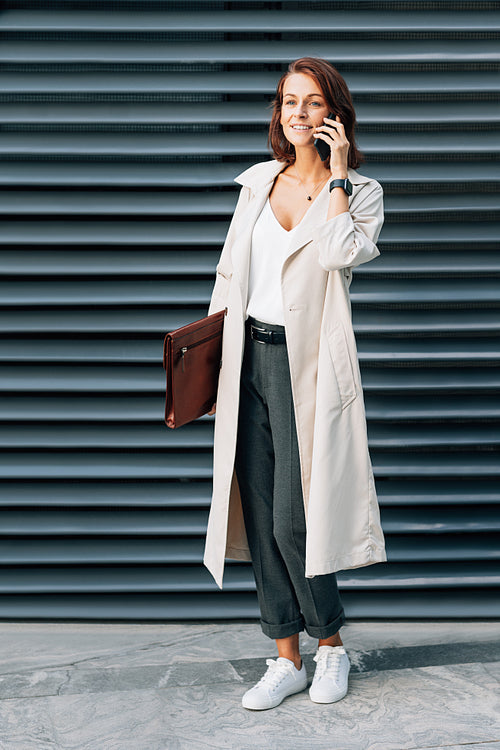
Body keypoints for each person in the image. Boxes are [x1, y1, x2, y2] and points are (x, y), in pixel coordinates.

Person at [204, 57, 387, 710]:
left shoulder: (360, 194)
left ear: (334, 113)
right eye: (289, 103)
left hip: (302, 368)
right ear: (278, 113)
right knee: (256, 518)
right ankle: (286, 657)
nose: (299, 114)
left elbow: (340, 253)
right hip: (244, 359)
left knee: (293, 523)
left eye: (313, 103)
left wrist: (336, 177)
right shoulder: (257, 183)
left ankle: (331, 646)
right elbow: (232, 274)